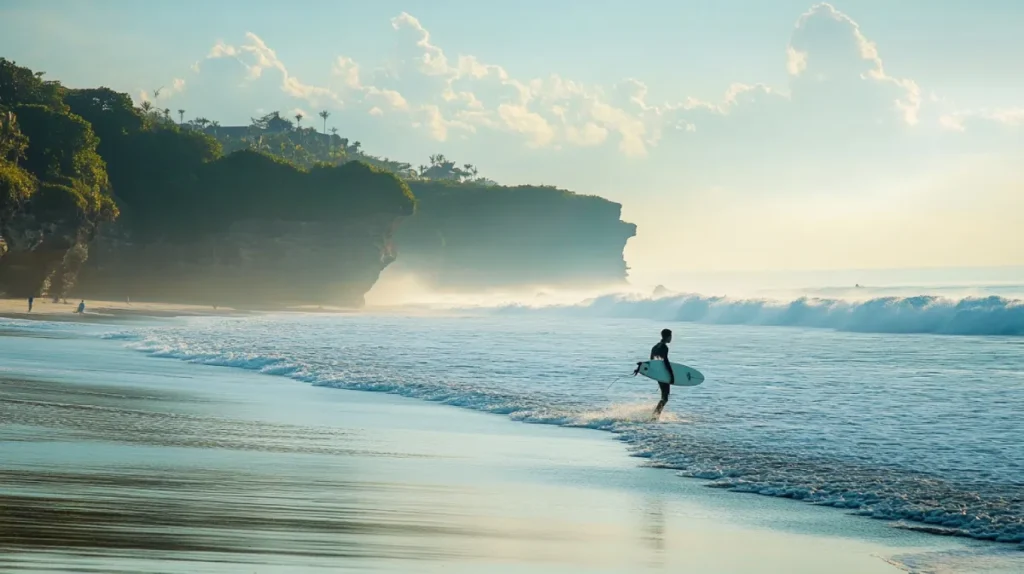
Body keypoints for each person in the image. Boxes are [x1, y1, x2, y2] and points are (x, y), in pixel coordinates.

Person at [650, 328, 675, 419]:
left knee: (664, 396)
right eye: (670, 336)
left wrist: (654, 373)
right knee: (665, 397)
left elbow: (651, 360)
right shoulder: (664, 347)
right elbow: (666, 362)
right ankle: (655, 416)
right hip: (664, 374)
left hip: (658, 374)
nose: (671, 338)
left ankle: (655, 415)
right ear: (667, 336)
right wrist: (671, 376)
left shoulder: (655, 346)